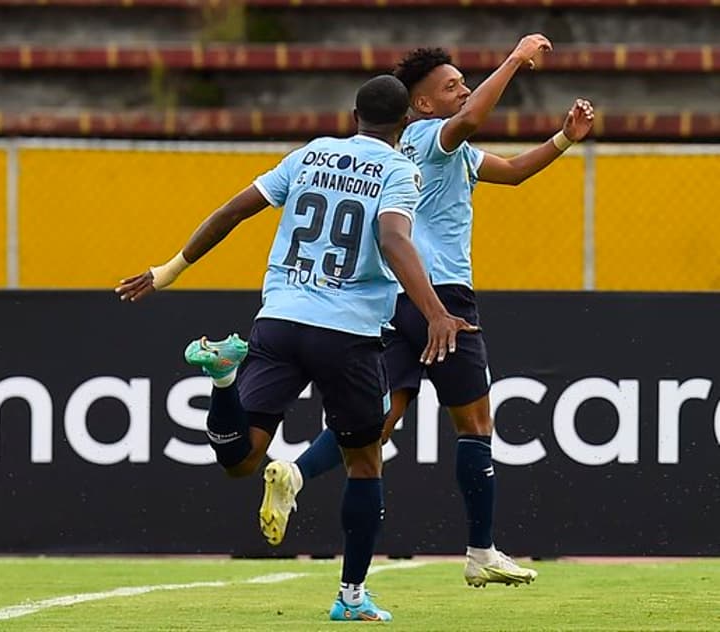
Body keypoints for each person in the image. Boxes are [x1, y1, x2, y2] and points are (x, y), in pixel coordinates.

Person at [116, 75, 476, 622]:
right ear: (406, 123)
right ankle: (351, 596)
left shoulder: (310, 155)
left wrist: (169, 270)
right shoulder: (402, 170)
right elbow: (394, 238)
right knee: (365, 457)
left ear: (353, 115)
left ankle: (220, 382)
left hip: (279, 320)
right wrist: (435, 312)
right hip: (349, 333)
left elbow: (234, 210)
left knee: (239, 460)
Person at [259, 34, 595, 588]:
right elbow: (466, 125)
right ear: (420, 105)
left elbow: (509, 171)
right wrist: (513, 60)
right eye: (452, 86)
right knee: (476, 424)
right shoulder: (427, 137)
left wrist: (562, 138)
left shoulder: (435, 148)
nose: (463, 90)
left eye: (465, 82)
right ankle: (481, 550)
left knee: (379, 421)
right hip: (444, 299)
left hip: (397, 298)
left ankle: (295, 472)